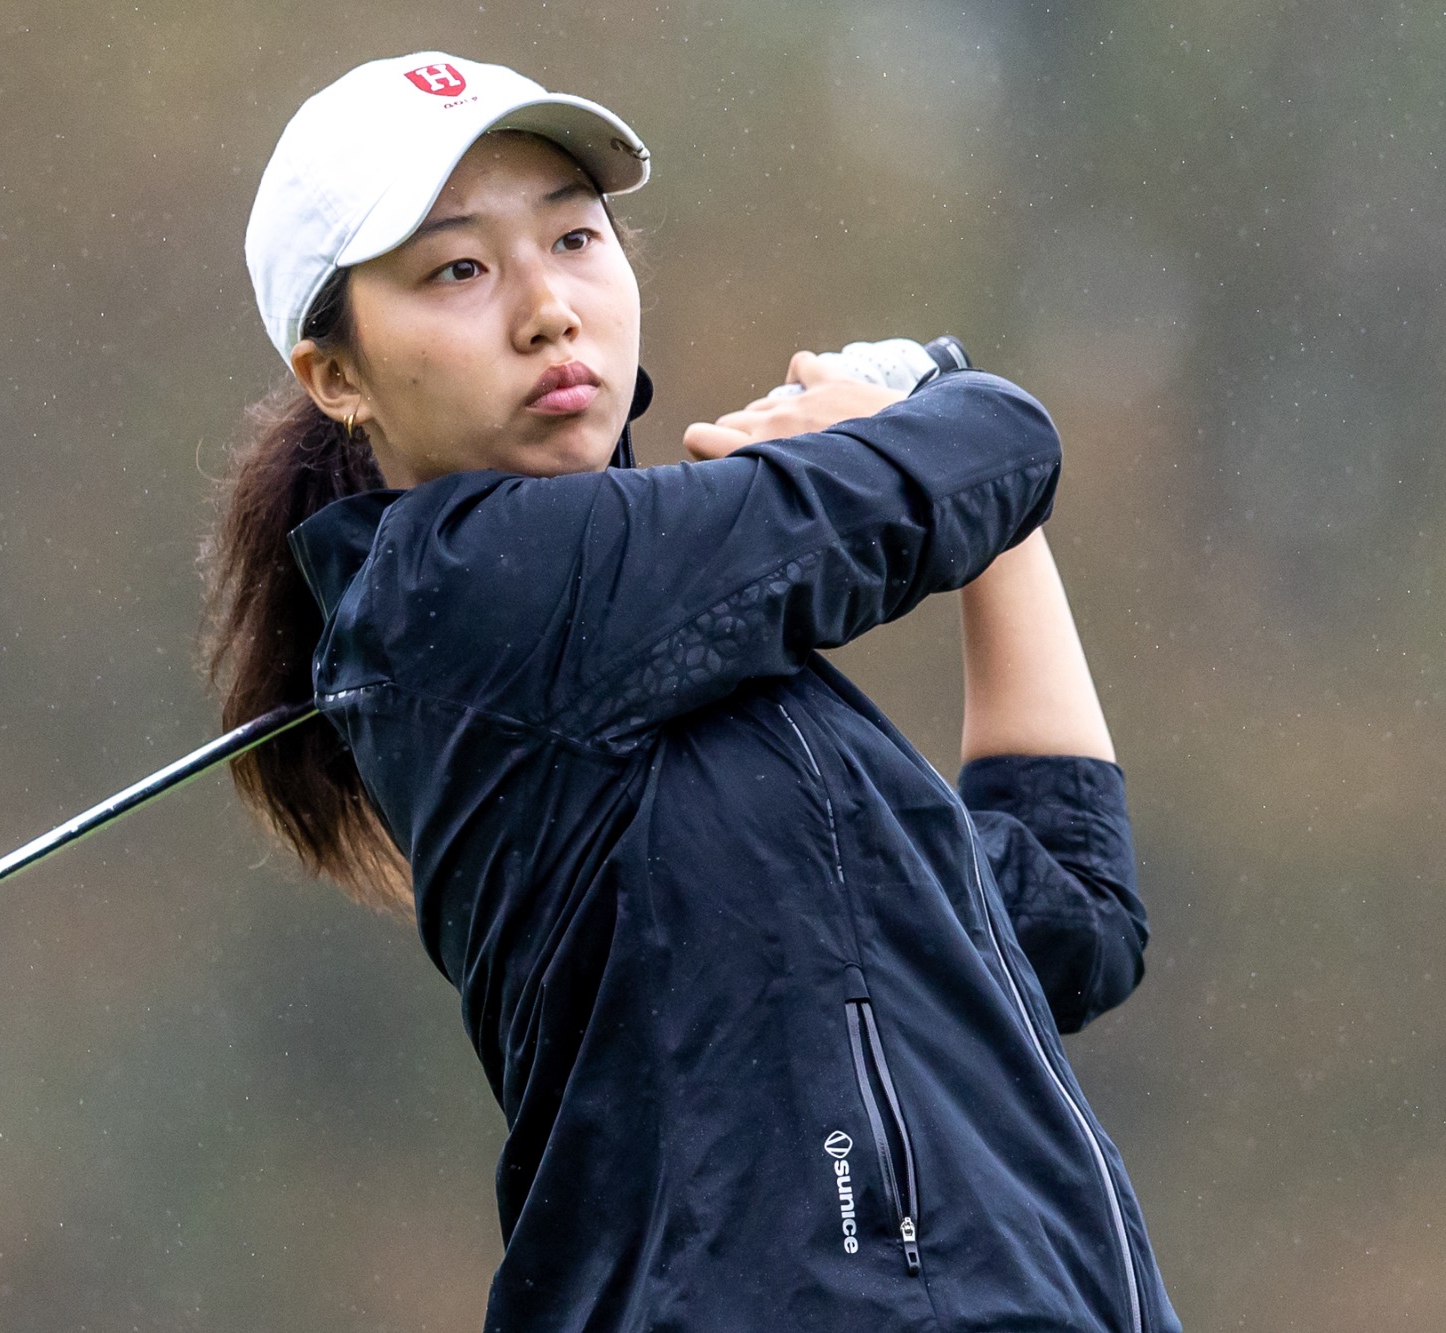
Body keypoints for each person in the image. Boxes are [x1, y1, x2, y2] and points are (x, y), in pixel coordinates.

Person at [203, 51, 1179, 1332]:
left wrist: (985, 513)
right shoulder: (459, 593)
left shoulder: (710, 683)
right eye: (458, 267)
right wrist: (923, 415)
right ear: (335, 373)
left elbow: (1068, 923)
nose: (547, 307)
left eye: (573, 237)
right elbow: (1004, 447)